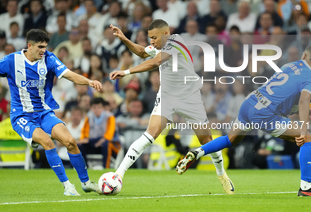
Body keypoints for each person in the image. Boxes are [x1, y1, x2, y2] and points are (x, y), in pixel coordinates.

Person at [109, 19, 234, 195]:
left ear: (166, 33)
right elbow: (143, 53)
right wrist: (124, 38)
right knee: (150, 133)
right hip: (167, 97)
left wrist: (127, 72)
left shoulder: (176, 42)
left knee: (206, 140)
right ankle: (118, 175)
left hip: (189, 97)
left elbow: (155, 62)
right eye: (150, 37)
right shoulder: (159, 47)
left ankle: (222, 175)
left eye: (154, 37)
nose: (152, 41)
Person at [0, 29, 103, 196]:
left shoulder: (49, 58)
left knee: (70, 141)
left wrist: (89, 81)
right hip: (22, 115)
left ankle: (86, 182)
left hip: (43, 112)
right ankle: (68, 187)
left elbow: (69, 75)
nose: (43, 50)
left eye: (45, 46)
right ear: (29, 46)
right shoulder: (12, 60)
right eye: (40, 47)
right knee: (48, 142)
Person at [176, 46, 311, 197]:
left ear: (304, 55)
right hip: (265, 113)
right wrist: (304, 130)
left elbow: (283, 94)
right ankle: (306, 189)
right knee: (308, 139)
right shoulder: (309, 76)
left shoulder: (290, 65)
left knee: (230, 139)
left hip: (250, 102)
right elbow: (304, 101)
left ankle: (198, 151)